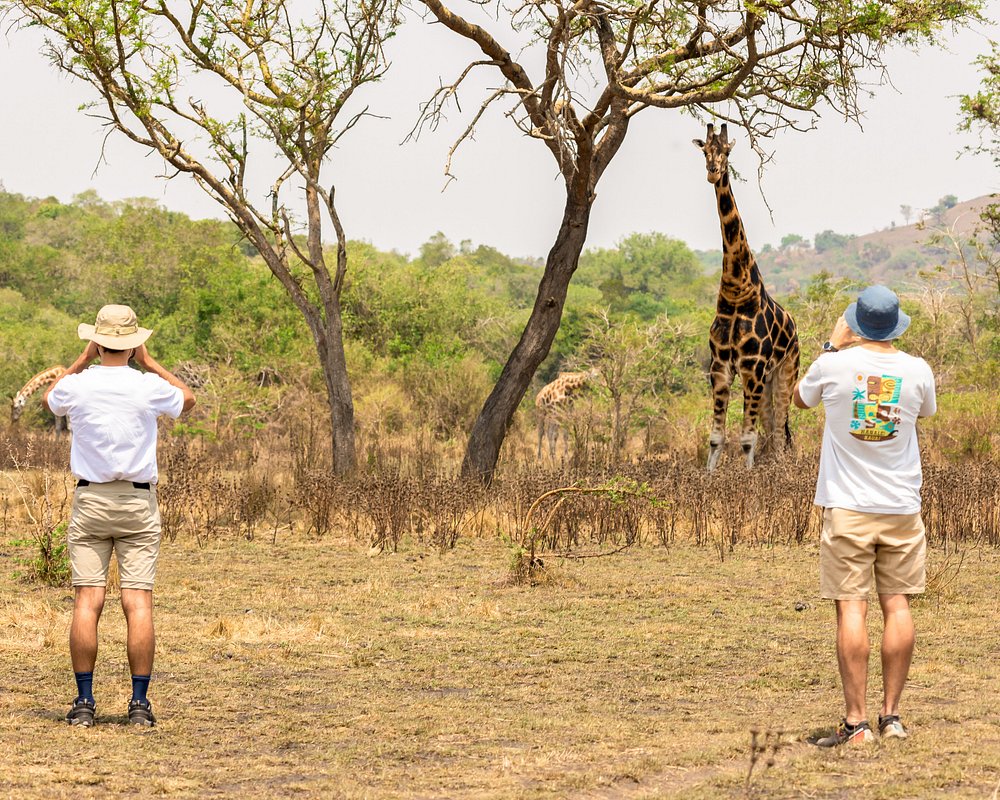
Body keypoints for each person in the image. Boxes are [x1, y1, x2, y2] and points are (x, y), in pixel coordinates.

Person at [793, 285, 936, 747]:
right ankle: (891, 717)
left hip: (848, 508)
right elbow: (924, 414)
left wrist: (834, 345)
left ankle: (856, 724)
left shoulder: (831, 365)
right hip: (900, 508)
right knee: (897, 605)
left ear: (856, 323)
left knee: (851, 608)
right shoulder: (917, 371)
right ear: (896, 325)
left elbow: (799, 399)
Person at [43, 304, 196, 728]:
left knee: (88, 600)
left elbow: (49, 399)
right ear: (132, 345)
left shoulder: (78, 385)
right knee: (137, 601)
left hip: (91, 501)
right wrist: (150, 362)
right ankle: (139, 705)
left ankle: (85, 701)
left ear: (97, 341)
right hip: (137, 502)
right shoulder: (146, 384)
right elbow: (188, 398)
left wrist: (80, 359)